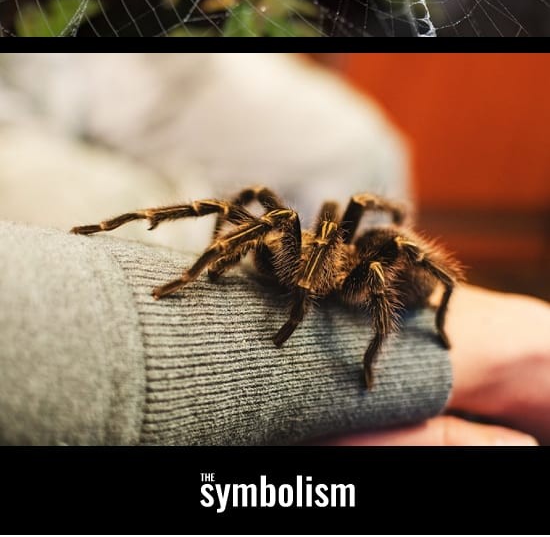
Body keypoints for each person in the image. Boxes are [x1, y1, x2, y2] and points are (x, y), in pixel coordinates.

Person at [0, 53, 547, 445]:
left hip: (91, 68)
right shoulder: (286, 235)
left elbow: (395, 258)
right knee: (236, 207)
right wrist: (203, 265)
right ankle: (178, 264)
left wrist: (369, 342)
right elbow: (250, 205)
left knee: (363, 154)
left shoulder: (363, 270)